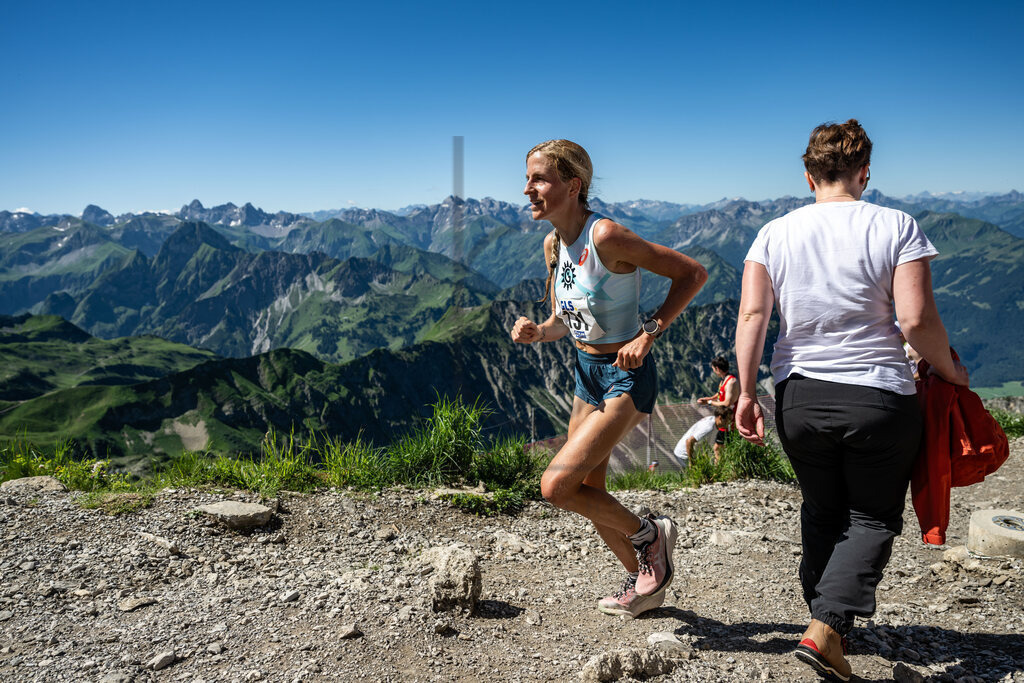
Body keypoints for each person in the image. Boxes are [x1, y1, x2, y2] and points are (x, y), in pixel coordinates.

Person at [734, 120, 969, 681]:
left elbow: (753, 316)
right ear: (865, 171)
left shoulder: (774, 233)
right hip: (879, 397)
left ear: (808, 173)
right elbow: (914, 319)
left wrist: (744, 393)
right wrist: (950, 371)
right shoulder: (896, 225)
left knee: (822, 508)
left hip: (799, 397)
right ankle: (828, 628)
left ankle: (823, 619)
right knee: (872, 516)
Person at [510, 139, 707, 618]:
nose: (527, 189)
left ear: (573, 185)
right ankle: (645, 583)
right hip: (586, 374)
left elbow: (693, 275)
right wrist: (539, 332)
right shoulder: (553, 244)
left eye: (539, 179)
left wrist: (649, 333)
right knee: (586, 492)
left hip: (626, 375)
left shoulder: (607, 237)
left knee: (556, 486)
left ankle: (650, 534)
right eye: (528, 178)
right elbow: (565, 320)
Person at [697, 357, 739, 459]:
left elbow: (727, 402)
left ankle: (724, 470)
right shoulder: (723, 381)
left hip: (730, 422)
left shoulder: (731, 382)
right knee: (718, 447)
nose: (714, 372)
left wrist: (710, 402)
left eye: (713, 369)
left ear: (717, 368)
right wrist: (710, 398)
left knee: (724, 448)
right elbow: (720, 392)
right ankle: (720, 469)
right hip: (724, 420)